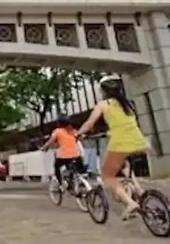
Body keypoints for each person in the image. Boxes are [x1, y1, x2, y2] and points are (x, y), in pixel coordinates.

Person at [75, 74, 147, 220]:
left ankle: (130, 203)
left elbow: (89, 124)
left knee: (107, 176)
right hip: (139, 141)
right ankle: (141, 193)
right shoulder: (129, 104)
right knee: (125, 167)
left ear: (104, 91)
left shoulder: (103, 104)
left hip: (121, 143)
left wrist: (78, 134)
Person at [40, 115, 85, 190]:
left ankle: (61, 184)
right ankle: (73, 183)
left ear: (59, 123)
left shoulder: (57, 131)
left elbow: (50, 142)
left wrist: (43, 148)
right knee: (76, 169)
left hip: (63, 156)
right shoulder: (73, 131)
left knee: (56, 167)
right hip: (76, 155)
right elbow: (80, 137)